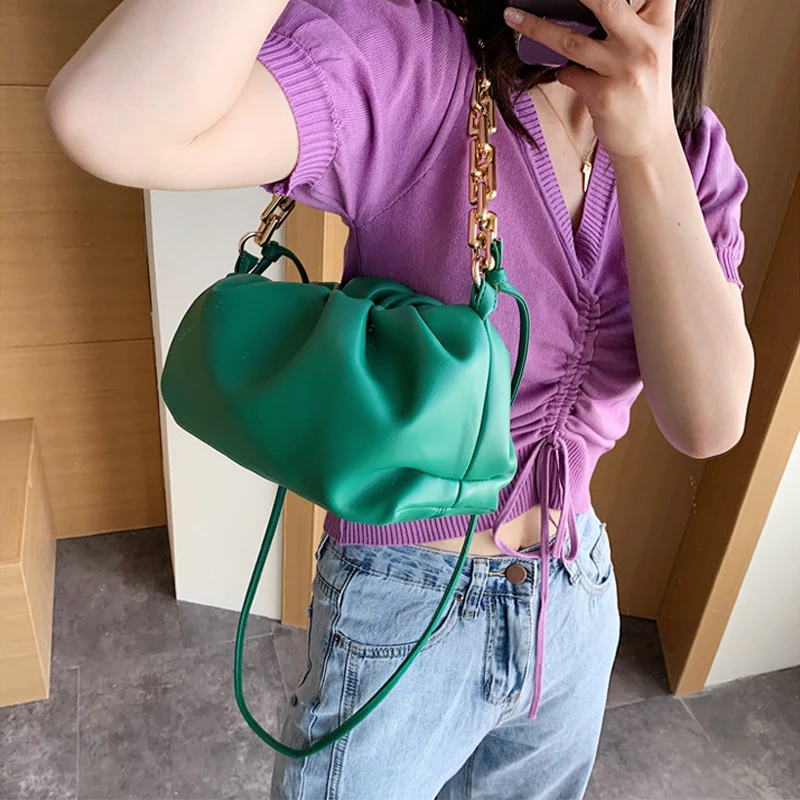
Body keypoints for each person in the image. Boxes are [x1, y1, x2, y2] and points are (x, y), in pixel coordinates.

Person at [46, 0, 754, 796]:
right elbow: (107, 119)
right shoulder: (417, 65)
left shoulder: (692, 150)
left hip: (574, 602)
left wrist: (650, 149)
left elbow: (707, 422)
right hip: (403, 601)